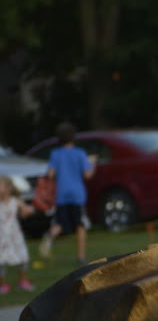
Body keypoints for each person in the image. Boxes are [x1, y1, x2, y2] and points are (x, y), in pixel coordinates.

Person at [38, 121, 95, 264]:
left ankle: (49, 236)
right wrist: (93, 164)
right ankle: (81, 256)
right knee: (80, 225)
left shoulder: (55, 154)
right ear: (73, 137)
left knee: (60, 223)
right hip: (77, 195)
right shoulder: (80, 153)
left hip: (61, 195)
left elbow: (50, 174)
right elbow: (87, 175)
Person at [0, 175, 35, 294]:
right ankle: (3, 284)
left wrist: (28, 211)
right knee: (1, 260)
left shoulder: (15, 201)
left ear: (8, 188)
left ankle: (23, 280)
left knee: (23, 258)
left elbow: (25, 211)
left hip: (15, 236)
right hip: (2, 236)